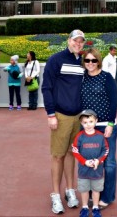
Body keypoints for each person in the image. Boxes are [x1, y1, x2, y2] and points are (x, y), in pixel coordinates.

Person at [41, 29, 86, 215]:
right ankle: (56, 195)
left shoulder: (84, 61)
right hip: (60, 115)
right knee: (58, 155)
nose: (78, 44)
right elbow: (46, 87)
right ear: (68, 41)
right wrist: (51, 114)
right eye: (75, 40)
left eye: (81, 41)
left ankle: (69, 190)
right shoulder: (56, 60)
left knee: (71, 154)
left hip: (78, 116)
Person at [81, 48, 117, 210]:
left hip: (105, 126)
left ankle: (107, 196)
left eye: (93, 60)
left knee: (108, 163)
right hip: (88, 128)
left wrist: (110, 124)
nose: (90, 63)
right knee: (89, 162)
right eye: (87, 60)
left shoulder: (106, 77)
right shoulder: (82, 78)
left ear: (98, 61)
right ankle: (91, 194)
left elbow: (113, 100)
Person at [72, 109, 109, 217]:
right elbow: (75, 150)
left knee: (96, 190)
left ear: (96, 121)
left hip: (97, 171)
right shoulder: (80, 136)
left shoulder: (100, 136)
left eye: (91, 122)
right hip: (83, 171)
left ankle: (96, 208)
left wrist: (99, 160)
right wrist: (84, 161)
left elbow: (105, 150)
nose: (88, 125)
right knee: (84, 190)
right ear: (81, 123)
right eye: (85, 122)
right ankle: (84, 208)